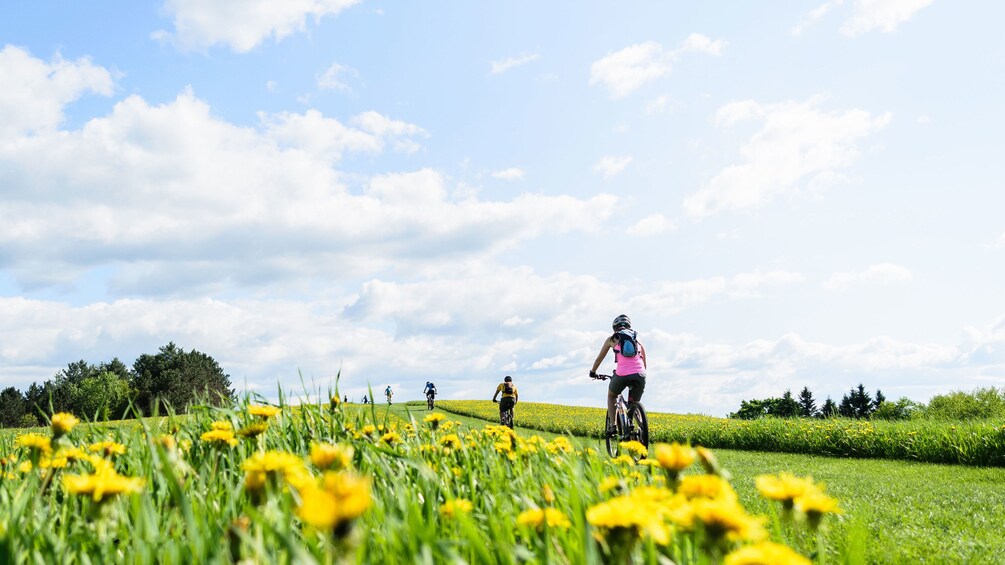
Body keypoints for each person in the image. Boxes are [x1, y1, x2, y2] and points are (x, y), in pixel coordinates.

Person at [589, 314, 647, 436]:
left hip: (622, 374)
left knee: (612, 395)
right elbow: (644, 362)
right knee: (634, 402)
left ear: (615, 327)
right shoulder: (638, 339)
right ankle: (641, 427)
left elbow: (599, 358)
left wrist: (593, 372)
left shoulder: (612, 339)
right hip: (640, 374)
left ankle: (613, 426)